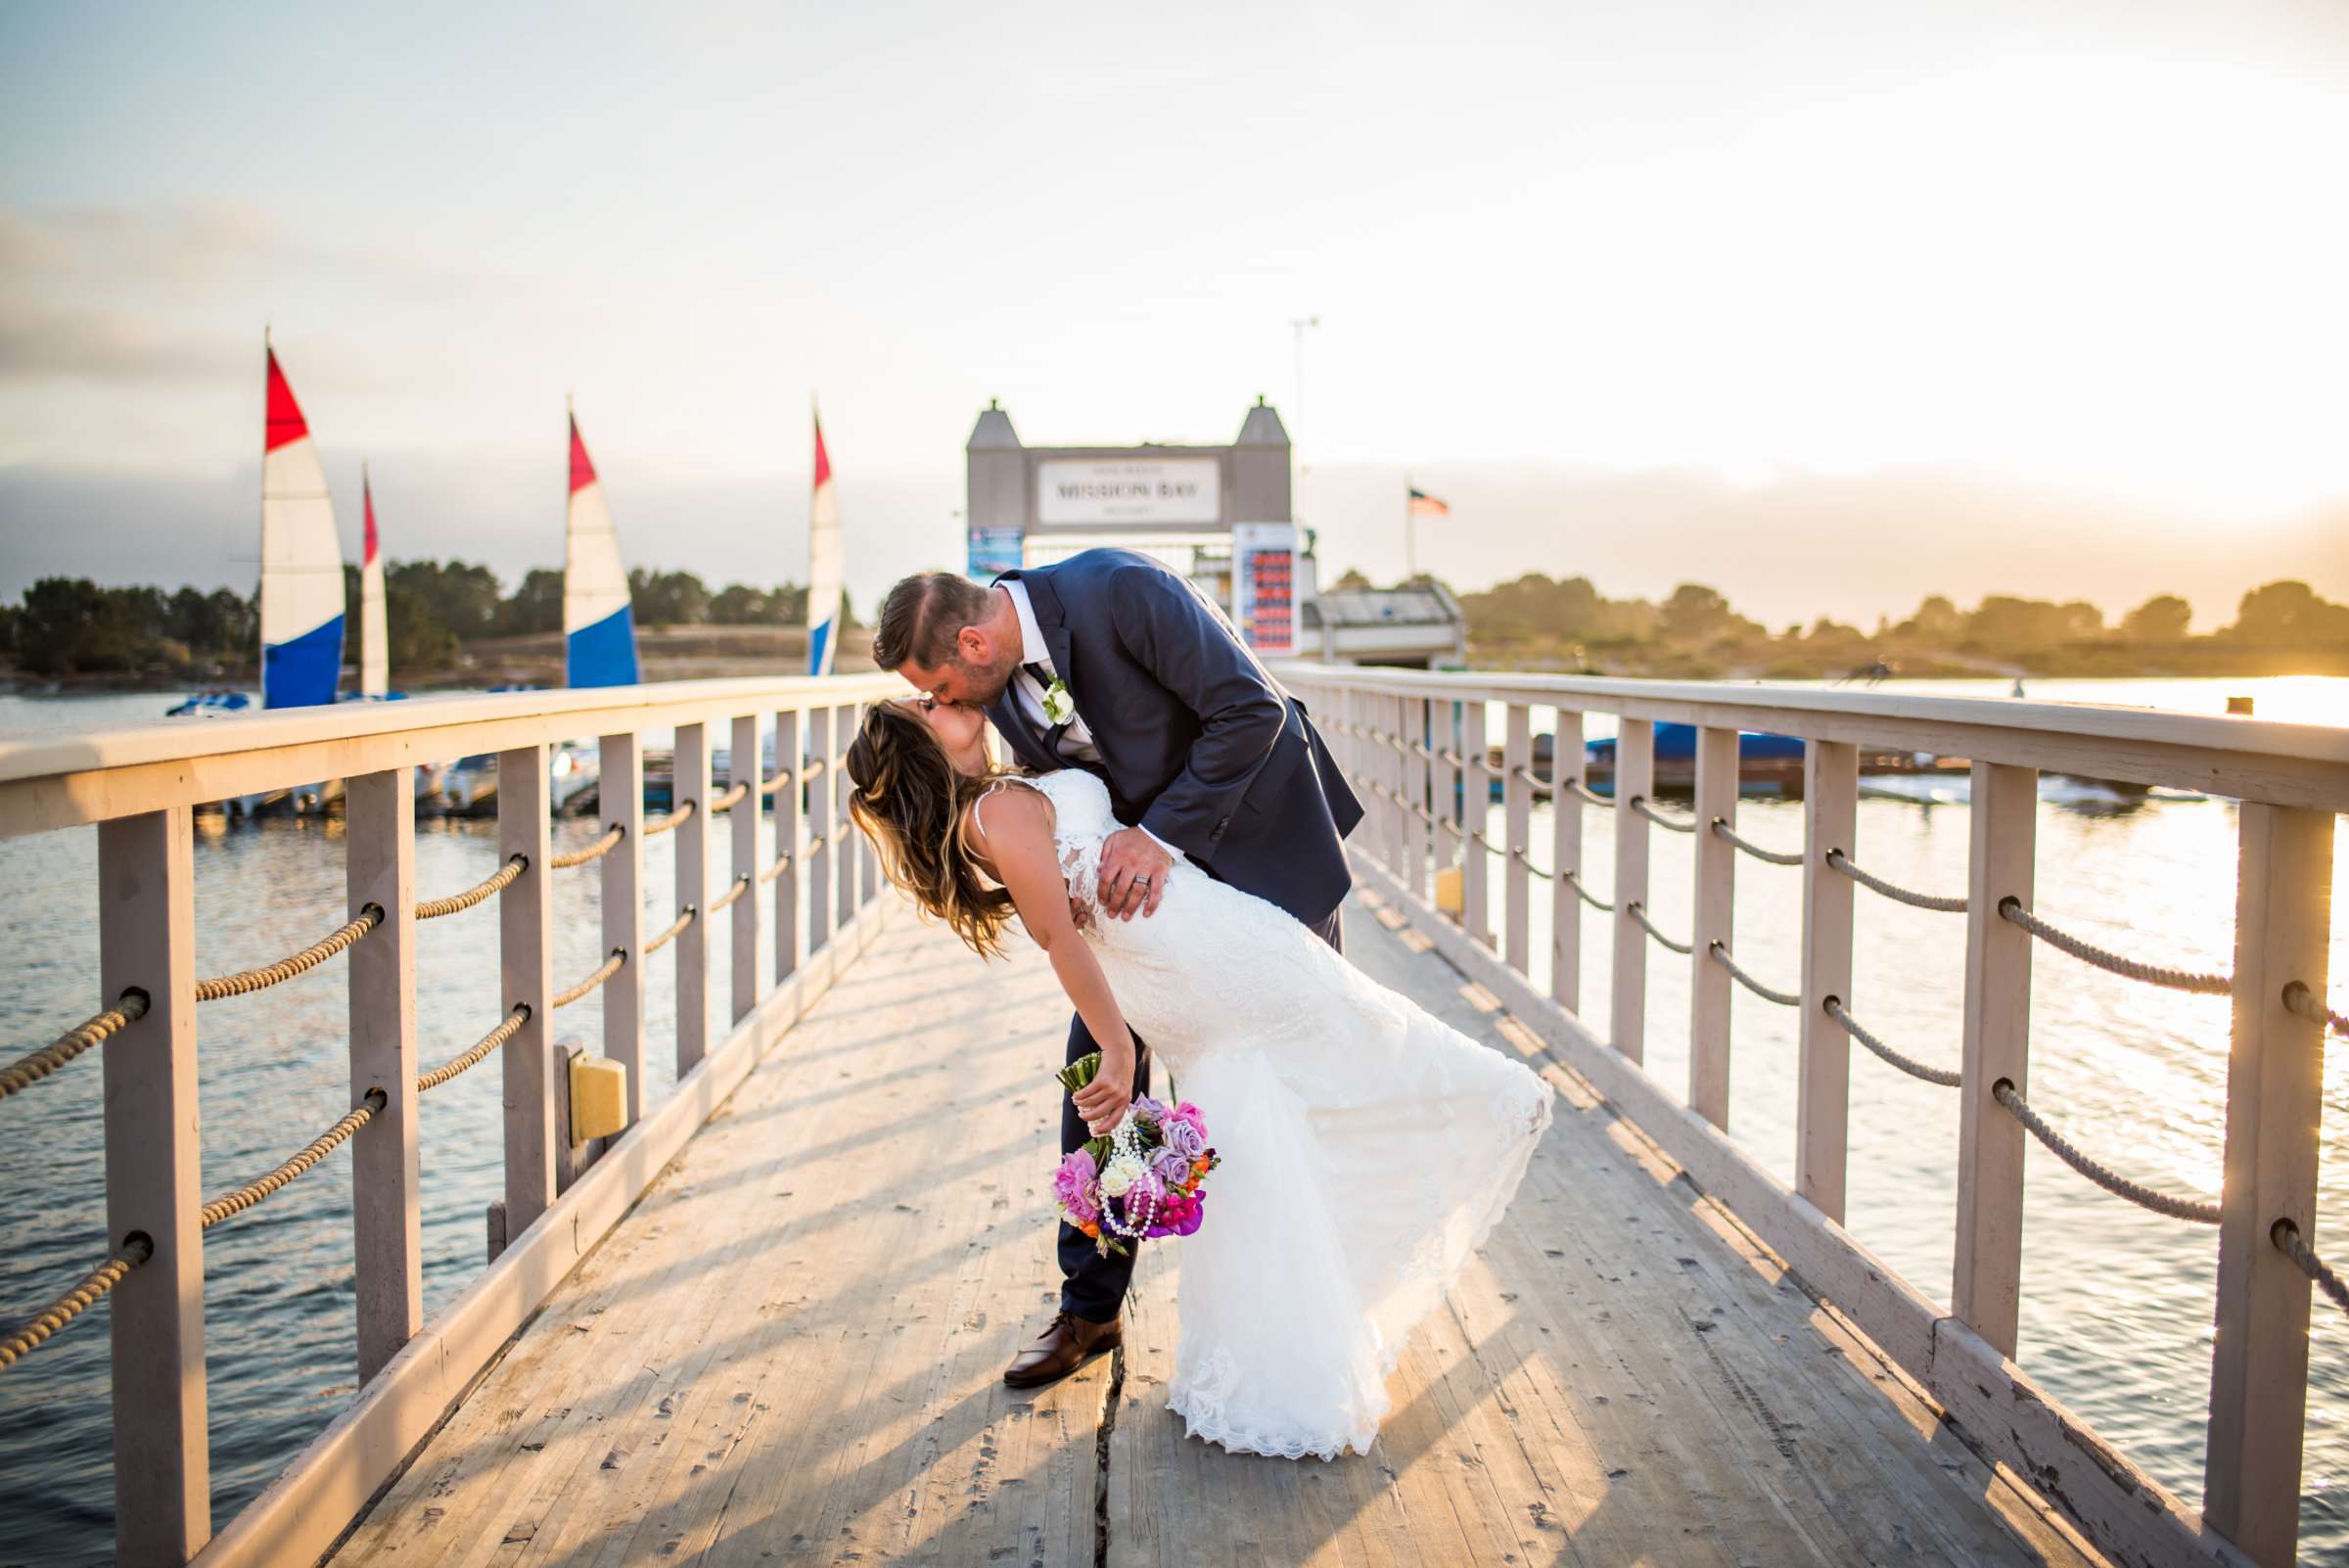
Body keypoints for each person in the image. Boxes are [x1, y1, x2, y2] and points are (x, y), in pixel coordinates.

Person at [858, 558, 1553, 1459]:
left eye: (942, 687)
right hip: (1134, 922)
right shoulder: (989, 696)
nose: (950, 706)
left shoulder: (1119, 591)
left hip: (1246, 857)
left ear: (975, 642)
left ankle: (1327, 1296)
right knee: (1103, 1092)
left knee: (1298, 1087)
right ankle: (1090, 1309)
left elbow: (1252, 711)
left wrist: (1155, 837)